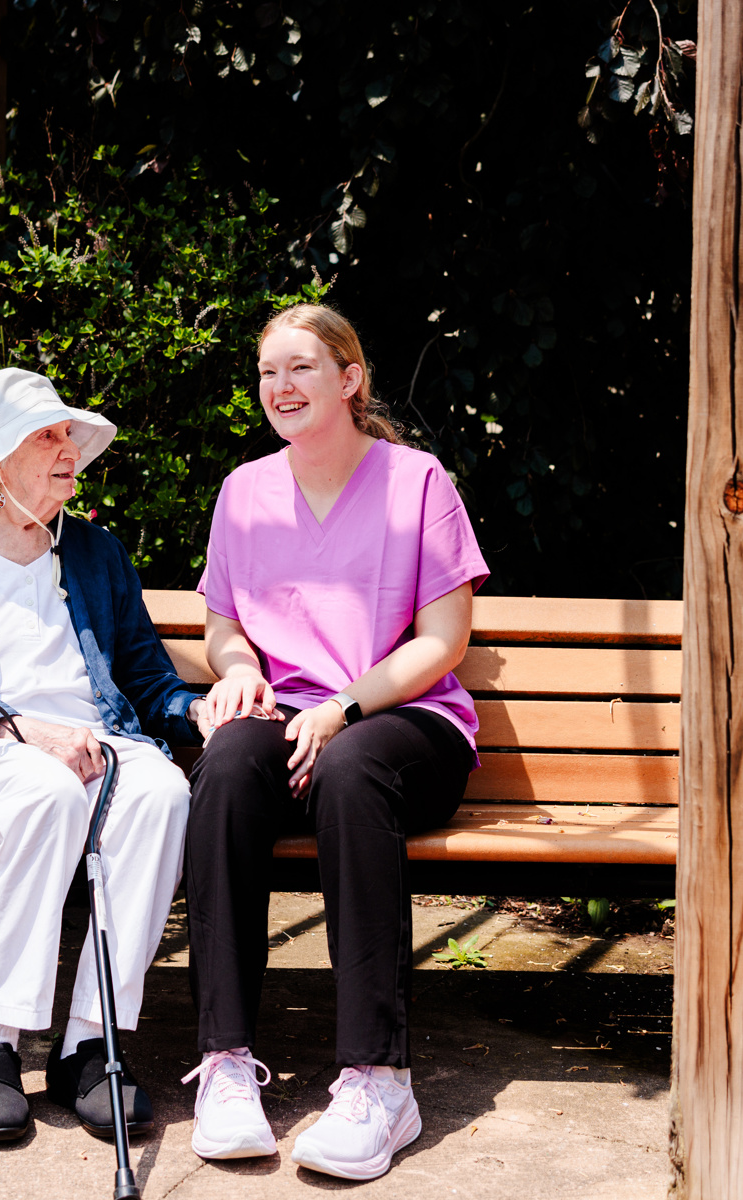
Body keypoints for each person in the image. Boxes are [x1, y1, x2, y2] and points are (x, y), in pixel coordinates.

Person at [180, 305, 489, 1181]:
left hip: (403, 725)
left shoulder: (417, 481)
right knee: (231, 763)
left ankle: (377, 1081)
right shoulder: (245, 491)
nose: (280, 386)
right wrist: (238, 671)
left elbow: (443, 643)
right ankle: (228, 1064)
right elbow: (225, 626)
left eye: (302, 368)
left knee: (352, 769)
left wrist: (344, 708)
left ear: (349, 379)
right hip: (293, 722)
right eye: (269, 371)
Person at [0, 368, 212, 1144]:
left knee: (163, 794)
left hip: (100, 743)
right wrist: (23, 727)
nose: (68, 451)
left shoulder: (95, 553)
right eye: (46, 436)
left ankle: (91, 1043)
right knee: (47, 792)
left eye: (68, 435)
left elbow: (144, 674)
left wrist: (194, 708)